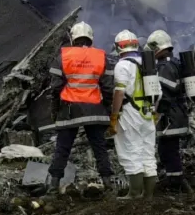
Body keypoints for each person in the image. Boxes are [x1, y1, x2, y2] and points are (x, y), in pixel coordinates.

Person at [47, 21, 114, 193]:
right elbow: (107, 87)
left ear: (72, 37)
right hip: (95, 110)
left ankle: (53, 187)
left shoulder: (63, 57)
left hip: (70, 110)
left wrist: (55, 110)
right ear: (91, 37)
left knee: (62, 148)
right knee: (100, 148)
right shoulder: (101, 56)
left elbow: (55, 88)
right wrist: (106, 107)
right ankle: (108, 184)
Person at [110, 29, 158, 199]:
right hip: (148, 113)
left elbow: (119, 93)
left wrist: (114, 117)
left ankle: (134, 193)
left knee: (131, 152)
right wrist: (154, 114)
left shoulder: (122, 65)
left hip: (130, 114)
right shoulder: (149, 64)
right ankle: (148, 194)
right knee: (148, 153)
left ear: (118, 47)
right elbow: (157, 93)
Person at [145, 30, 189, 191]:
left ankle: (175, 183)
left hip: (171, 116)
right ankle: (172, 179)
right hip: (177, 114)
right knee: (168, 149)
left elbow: (166, 92)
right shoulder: (175, 62)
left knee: (169, 150)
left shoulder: (165, 66)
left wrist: (157, 113)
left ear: (158, 47)